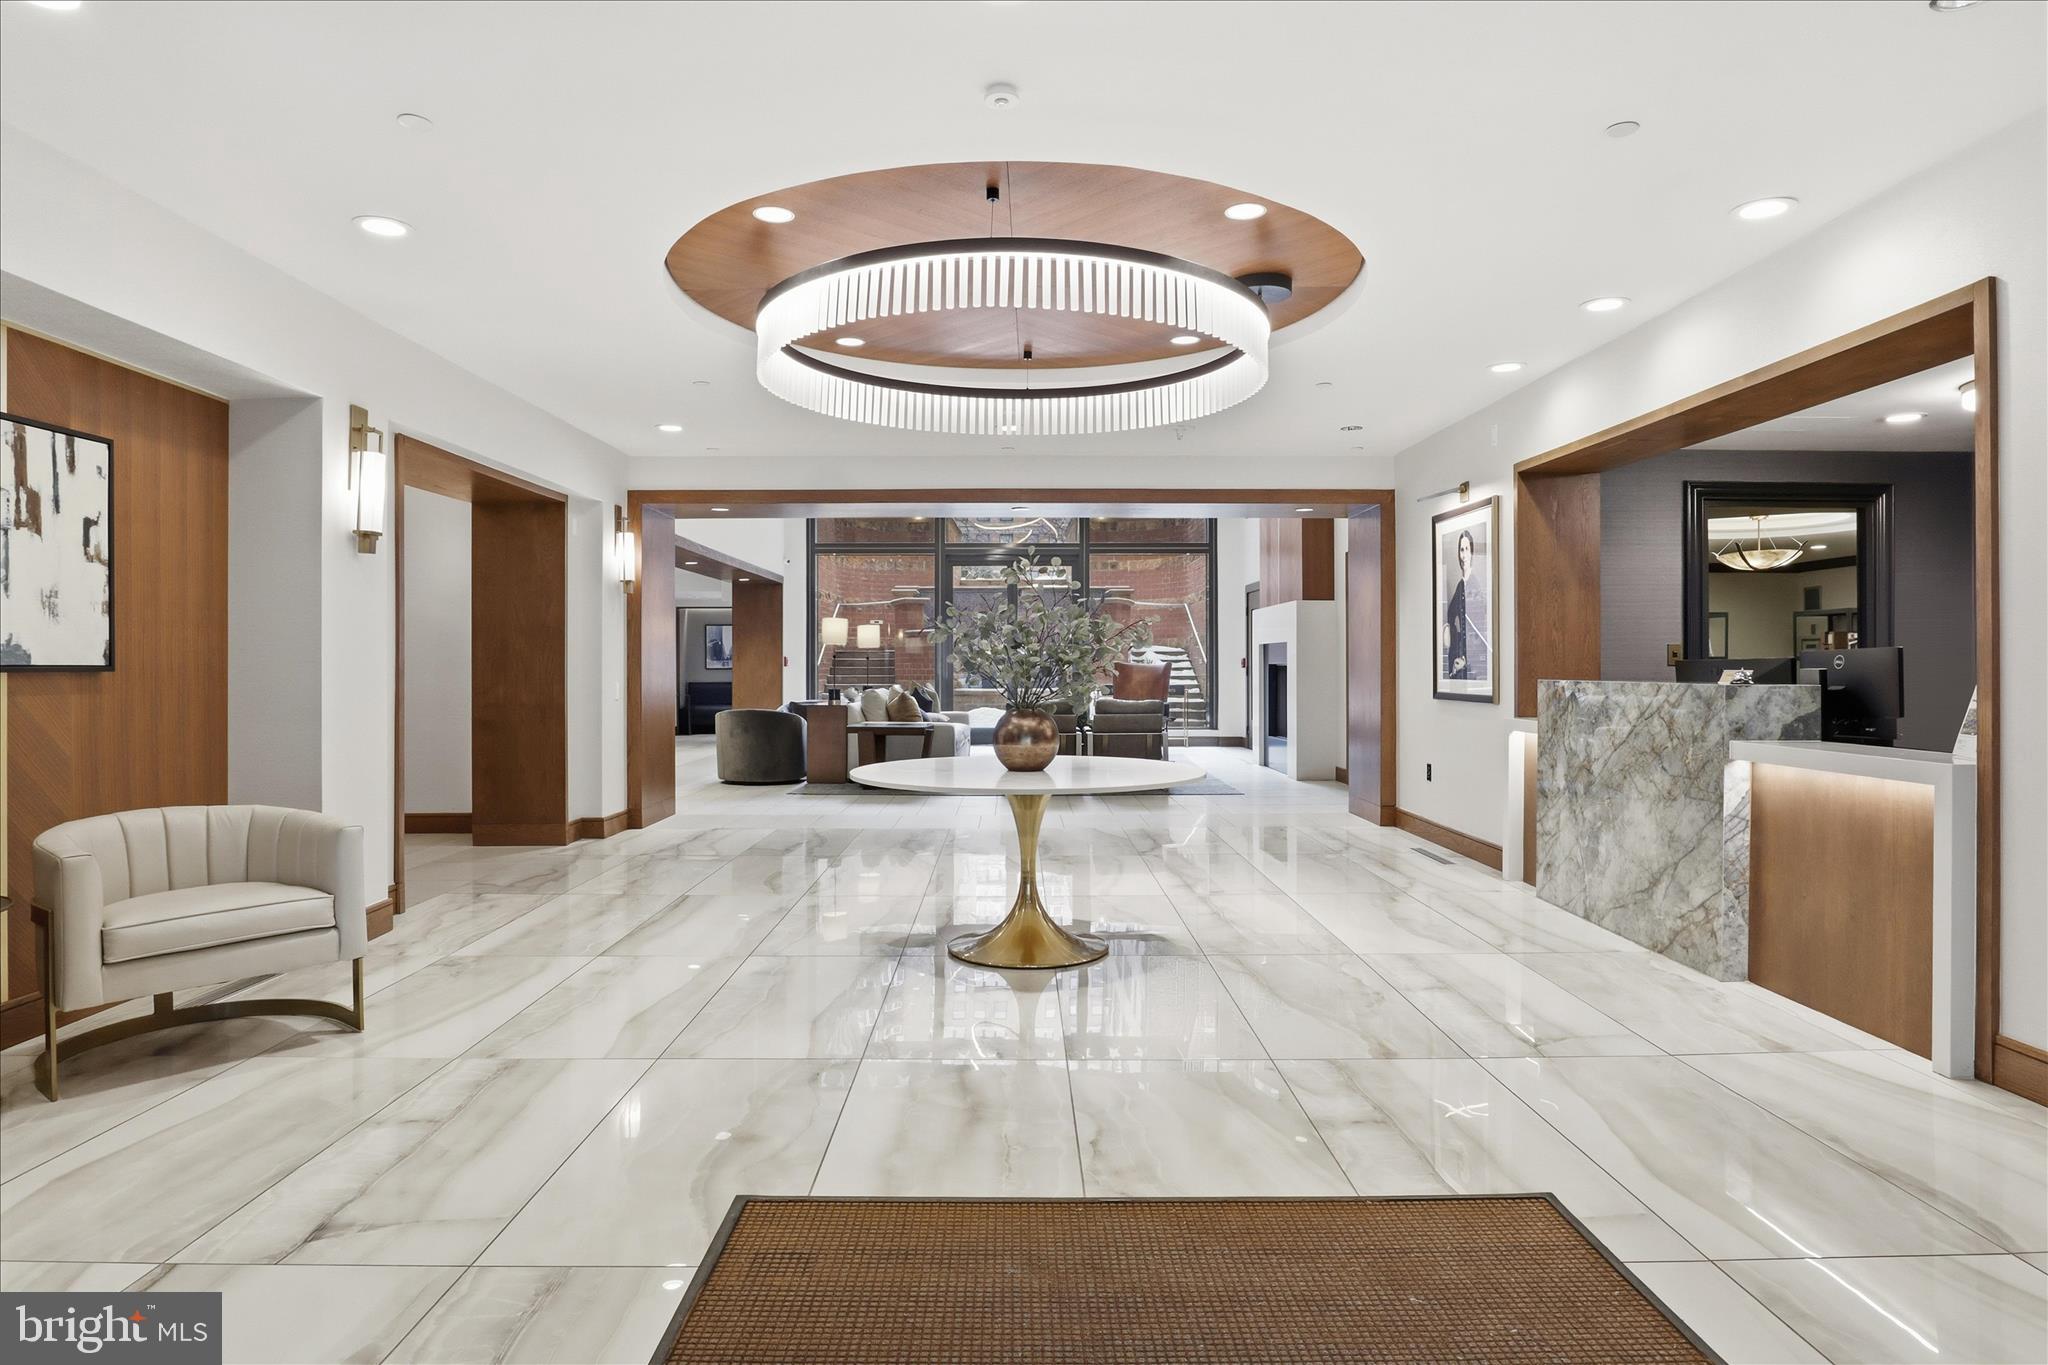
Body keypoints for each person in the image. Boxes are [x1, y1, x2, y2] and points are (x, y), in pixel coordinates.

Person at [1442, 528, 1487, 681]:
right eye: (1461, 550)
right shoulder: (1460, 585)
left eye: (1467, 549)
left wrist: (1466, 659)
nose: (1464, 555)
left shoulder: (1475, 585)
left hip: (1471, 664)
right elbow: (1450, 614)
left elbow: (1478, 631)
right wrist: (1447, 628)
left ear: (1472, 552)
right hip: (1459, 655)